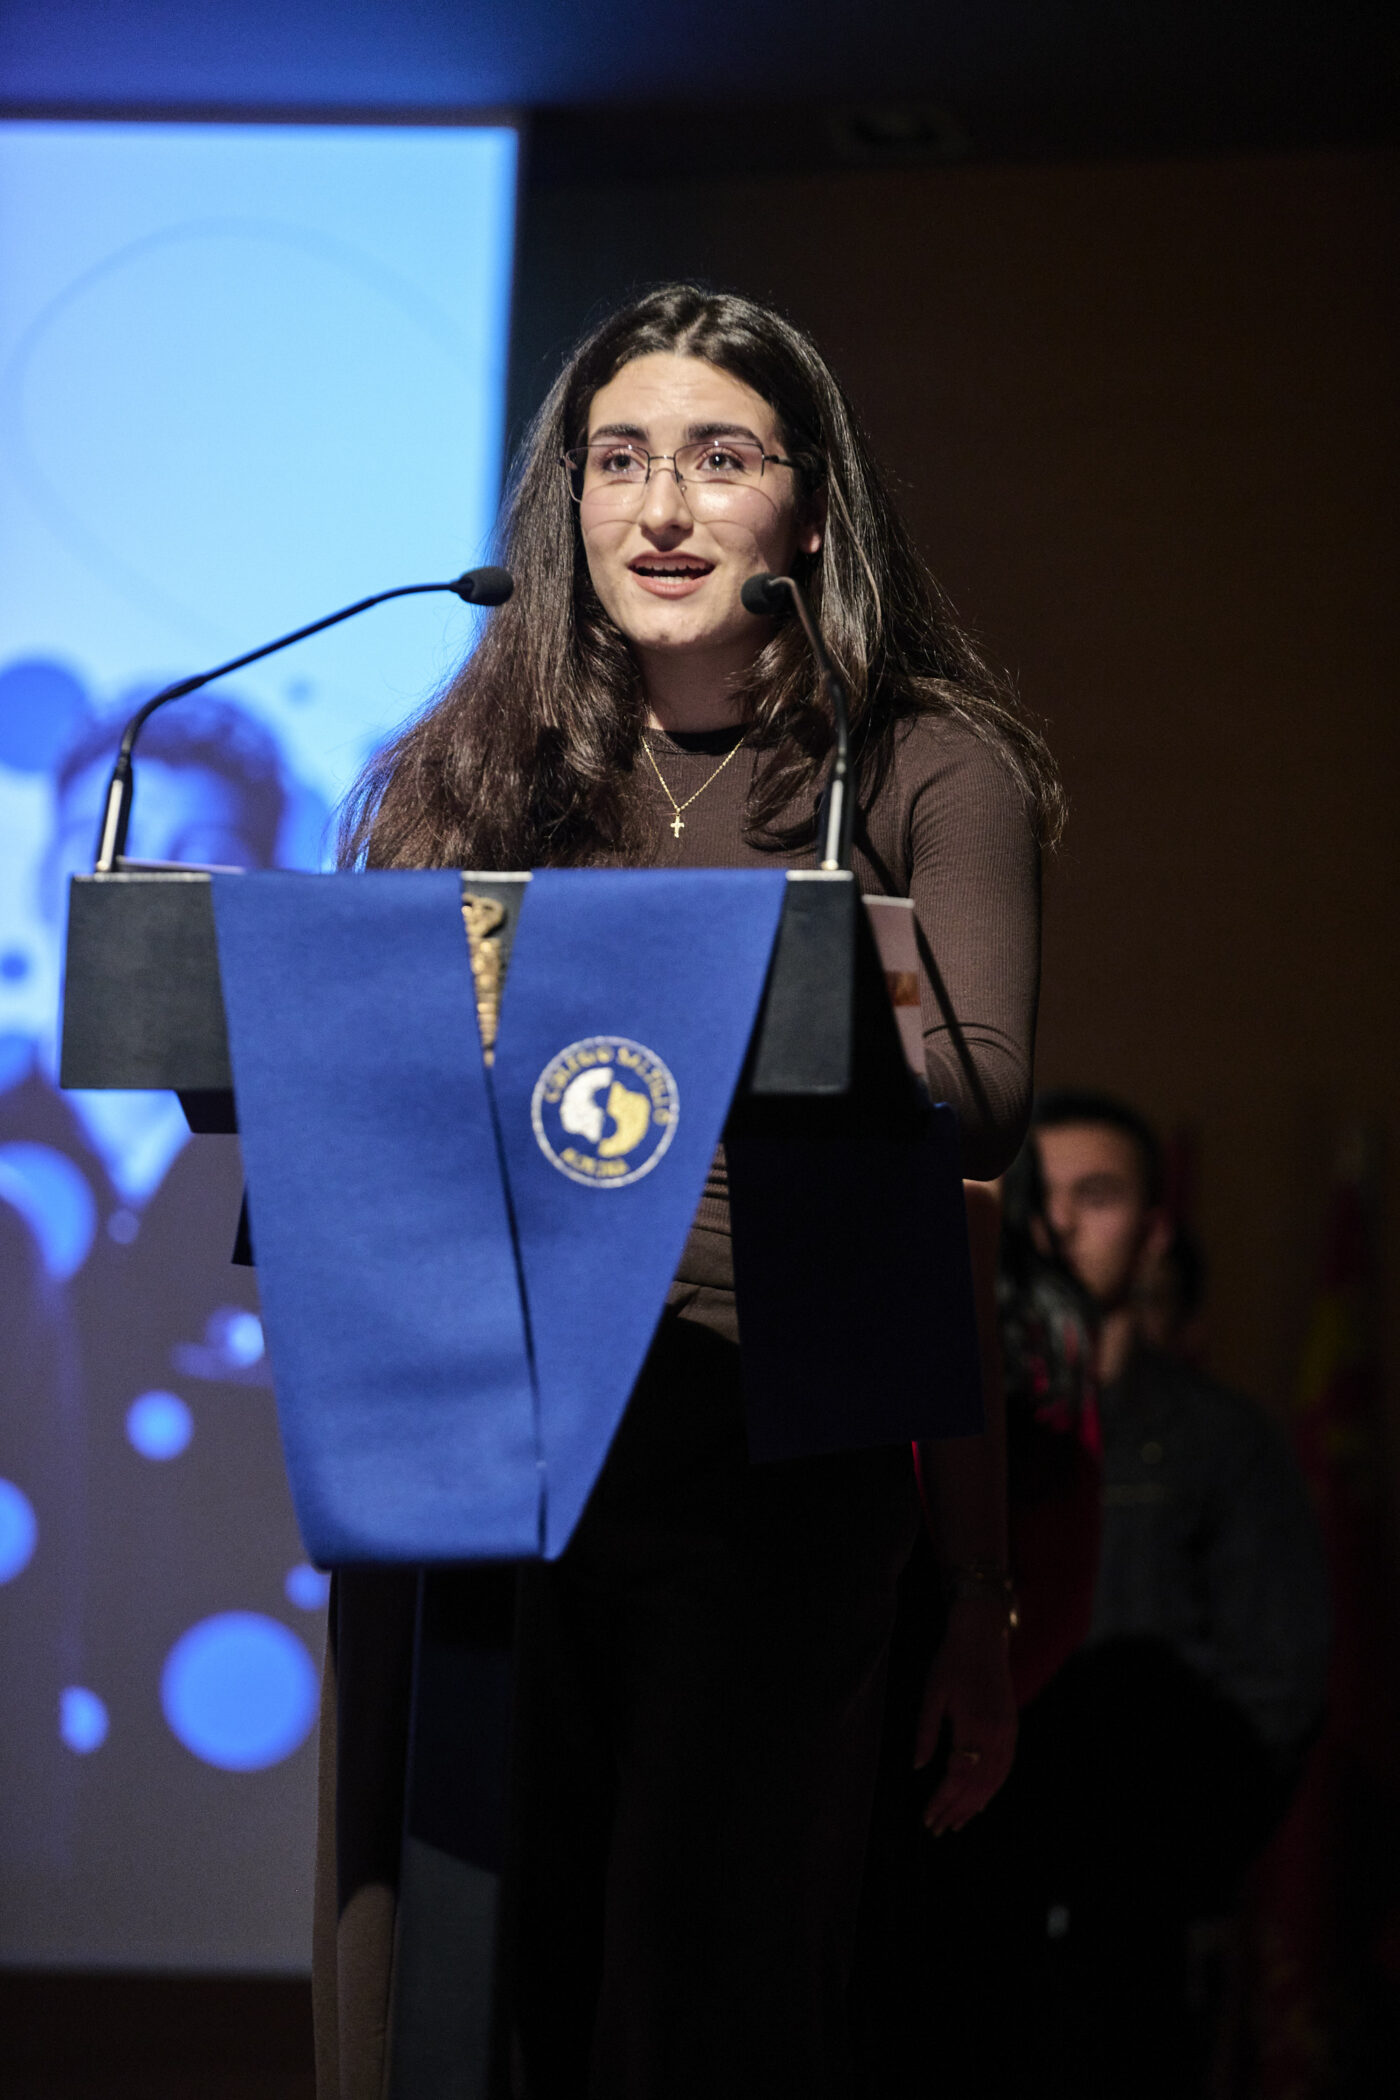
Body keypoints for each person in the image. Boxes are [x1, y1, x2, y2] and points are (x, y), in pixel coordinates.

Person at [319, 283, 1058, 2100]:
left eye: (719, 462)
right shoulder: (462, 768)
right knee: (456, 1991)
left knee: (700, 1994)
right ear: (563, 504)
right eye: (620, 461)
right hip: (474, 1433)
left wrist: (978, 1577)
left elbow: (967, 1120)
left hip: (769, 1442)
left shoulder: (917, 768)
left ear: (810, 508)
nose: (659, 511)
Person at [908, 1090, 1330, 2100]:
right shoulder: (955, 1423)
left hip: (1133, 1911)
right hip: (957, 1891)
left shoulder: (1220, 1442)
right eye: (1039, 1194)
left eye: (1094, 1195)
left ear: (1152, 1229)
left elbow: (1278, 1679)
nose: (1055, 1220)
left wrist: (1161, 1862)